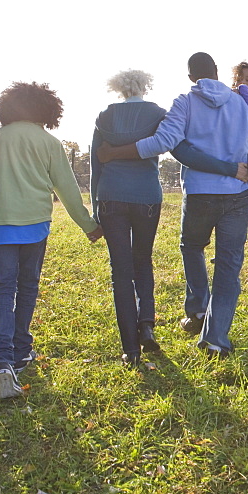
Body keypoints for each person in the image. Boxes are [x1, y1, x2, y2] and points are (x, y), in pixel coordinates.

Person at [99, 52, 248, 358]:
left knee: (192, 246)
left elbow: (163, 142)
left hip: (199, 194)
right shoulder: (240, 103)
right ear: (217, 72)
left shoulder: (185, 101)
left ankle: (196, 309)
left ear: (190, 77)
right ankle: (215, 339)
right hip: (239, 195)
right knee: (229, 266)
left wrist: (117, 153)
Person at [0, 82, 103, 399]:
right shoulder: (49, 142)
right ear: (47, 110)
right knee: (27, 287)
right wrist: (88, 225)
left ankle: (1, 361)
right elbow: (68, 191)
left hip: (1, 227)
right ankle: (20, 352)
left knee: (3, 289)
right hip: (35, 227)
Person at [91, 70, 168, 367]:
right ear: (144, 85)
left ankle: (131, 350)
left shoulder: (104, 117)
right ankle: (146, 323)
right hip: (147, 195)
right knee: (143, 260)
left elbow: (97, 160)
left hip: (111, 195)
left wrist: (96, 202)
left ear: (119, 89)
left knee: (120, 271)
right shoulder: (157, 114)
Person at [170, 61, 248, 239]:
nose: (242, 83)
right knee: (230, 249)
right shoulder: (233, 99)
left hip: (247, 149)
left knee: (193, 245)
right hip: (237, 183)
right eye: (240, 79)